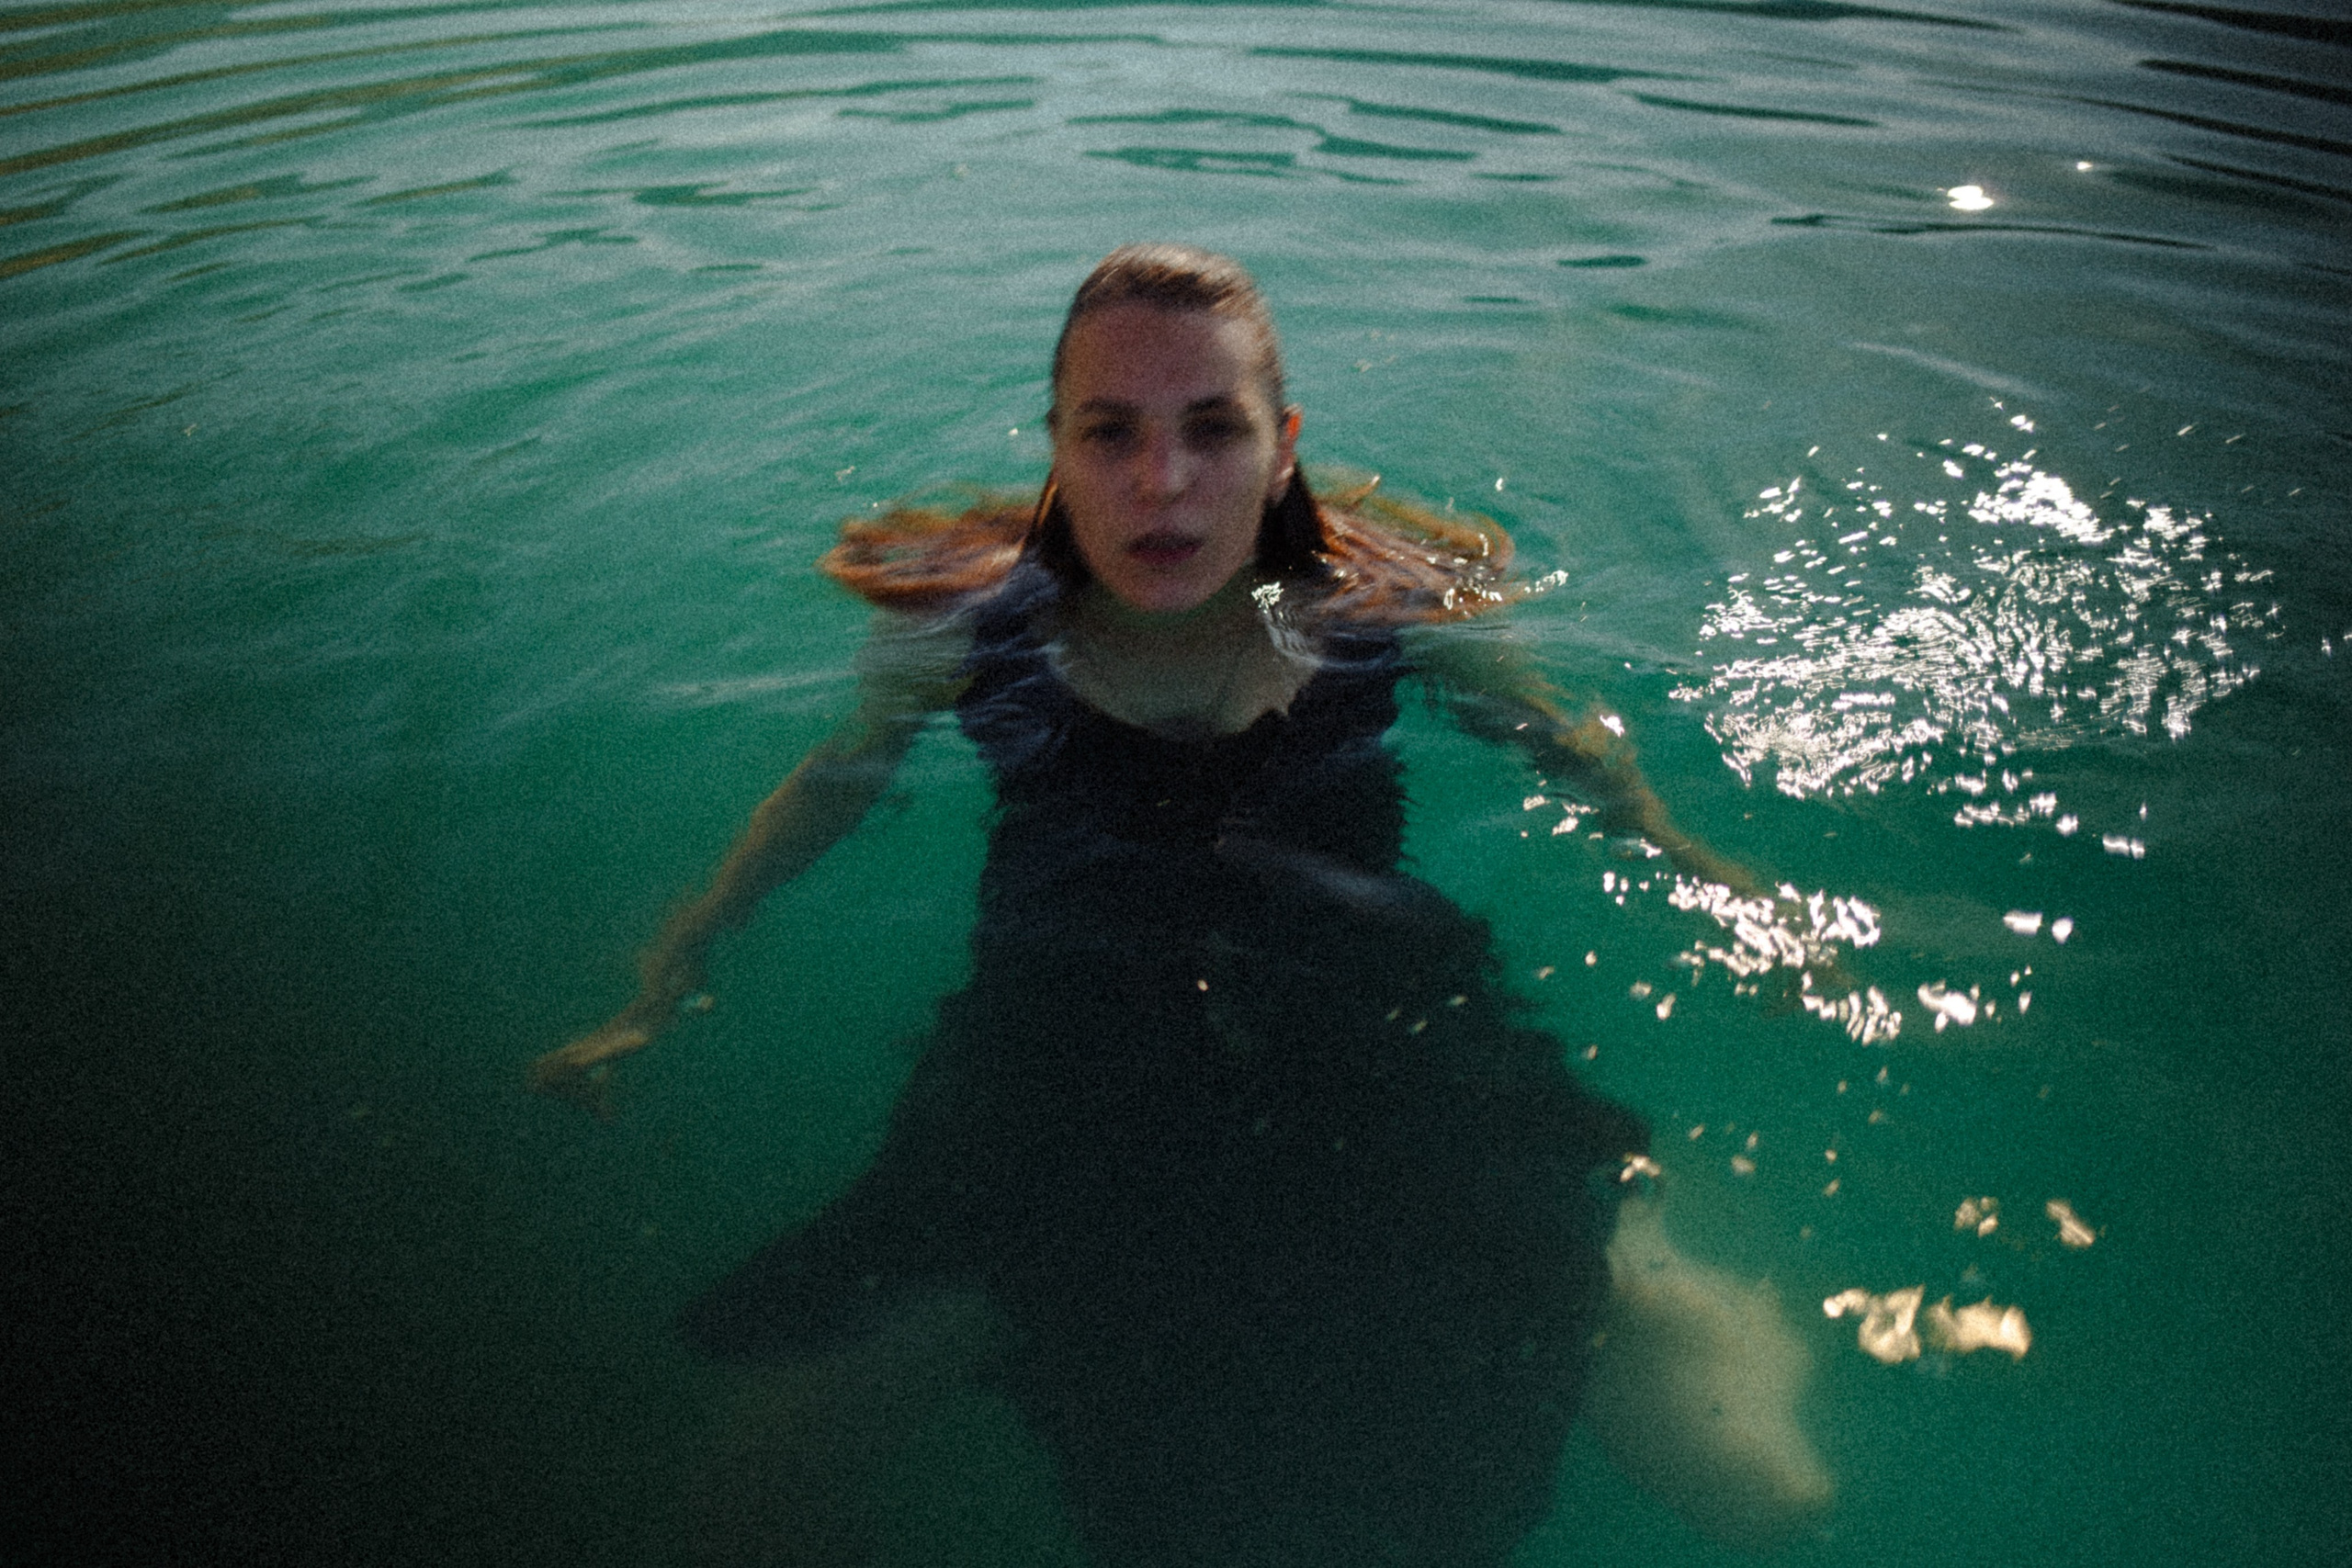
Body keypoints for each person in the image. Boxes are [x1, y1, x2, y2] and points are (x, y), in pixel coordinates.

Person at [533, 244, 1834, 1565]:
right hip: (1061, 1040)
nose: (1163, 483)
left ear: (1281, 449)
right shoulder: (964, 621)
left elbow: (1563, 748)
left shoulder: (1379, 604)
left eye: (1214, 430)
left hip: (1374, 1002)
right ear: (1057, 444)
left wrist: (1730, 890)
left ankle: (1646, 1274)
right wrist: (666, 979)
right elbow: (834, 784)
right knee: (765, 1476)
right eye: (1112, 434)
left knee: (1760, 1484)